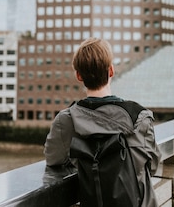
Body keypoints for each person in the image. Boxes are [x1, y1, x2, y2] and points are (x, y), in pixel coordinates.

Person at [44, 37, 161, 207]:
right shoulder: (140, 117)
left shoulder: (66, 120)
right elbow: (153, 165)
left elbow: (53, 159)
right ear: (111, 71)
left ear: (78, 76)